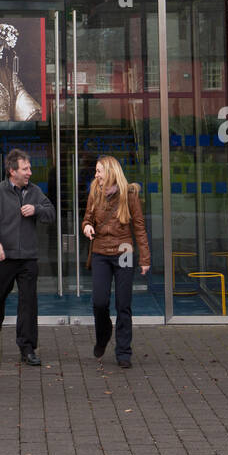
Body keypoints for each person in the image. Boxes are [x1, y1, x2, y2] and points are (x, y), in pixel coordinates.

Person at [0, 148, 55, 366]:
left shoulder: (35, 192)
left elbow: (51, 213)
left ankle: (27, 347)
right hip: (3, 258)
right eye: (25, 168)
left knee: (28, 304)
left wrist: (37, 209)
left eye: (29, 168)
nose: (30, 172)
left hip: (28, 259)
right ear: (12, 171)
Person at [82, 155, 151, 369]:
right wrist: (86, 226)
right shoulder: (95, 191)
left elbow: (138, 225)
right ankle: (103, 336)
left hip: (124, 249)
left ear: (110, 172)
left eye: (99, 171)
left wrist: (145, 257)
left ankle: (123, 352)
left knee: (123, 303)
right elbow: (87, 218)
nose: (96, 175)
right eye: (96, 171)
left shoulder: (129, 194)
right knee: (99, 302)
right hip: (101, 250)